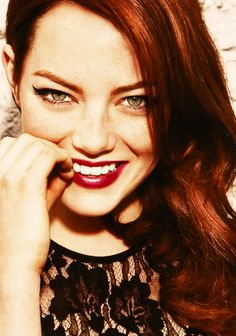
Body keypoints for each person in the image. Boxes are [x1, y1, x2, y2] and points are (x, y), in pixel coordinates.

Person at [0, 0, 235, 335]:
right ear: (13, 73)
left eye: (137, 100)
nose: (94, 141)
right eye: (56, 94)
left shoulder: (220, 249)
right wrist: (13, 271)